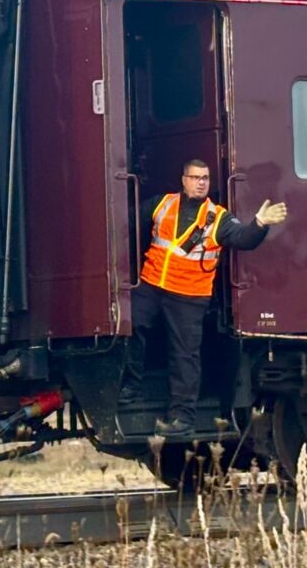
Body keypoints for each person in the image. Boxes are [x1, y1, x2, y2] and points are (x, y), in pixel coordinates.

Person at [119, 159, 288, 437]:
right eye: (195, 177)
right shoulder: (162, 204)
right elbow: (126, 220)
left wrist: (260, 223)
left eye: (205, 178)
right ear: (183, 180)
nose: (200, 182)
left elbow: (244, 238)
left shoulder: (218, 217)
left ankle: (182, 418)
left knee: (184, 357)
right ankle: (131, 388)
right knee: (131, 325)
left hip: (189, 295)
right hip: (152, 285)